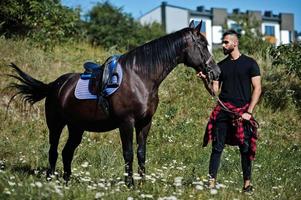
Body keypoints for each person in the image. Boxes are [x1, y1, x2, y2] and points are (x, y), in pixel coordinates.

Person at [197, 29, 262, 194]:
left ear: (235, 43)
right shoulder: (221, 66)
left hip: (242, 112)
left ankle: (247, 184)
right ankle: (211, 183)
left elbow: (257, 88)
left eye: (226, 42)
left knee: (245, 148)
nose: (223, 45)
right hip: (223, 111)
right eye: (223, 42)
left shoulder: (250, 63)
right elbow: (215, 92)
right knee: (217, 148)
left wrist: (249, 111)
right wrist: (206, 80)